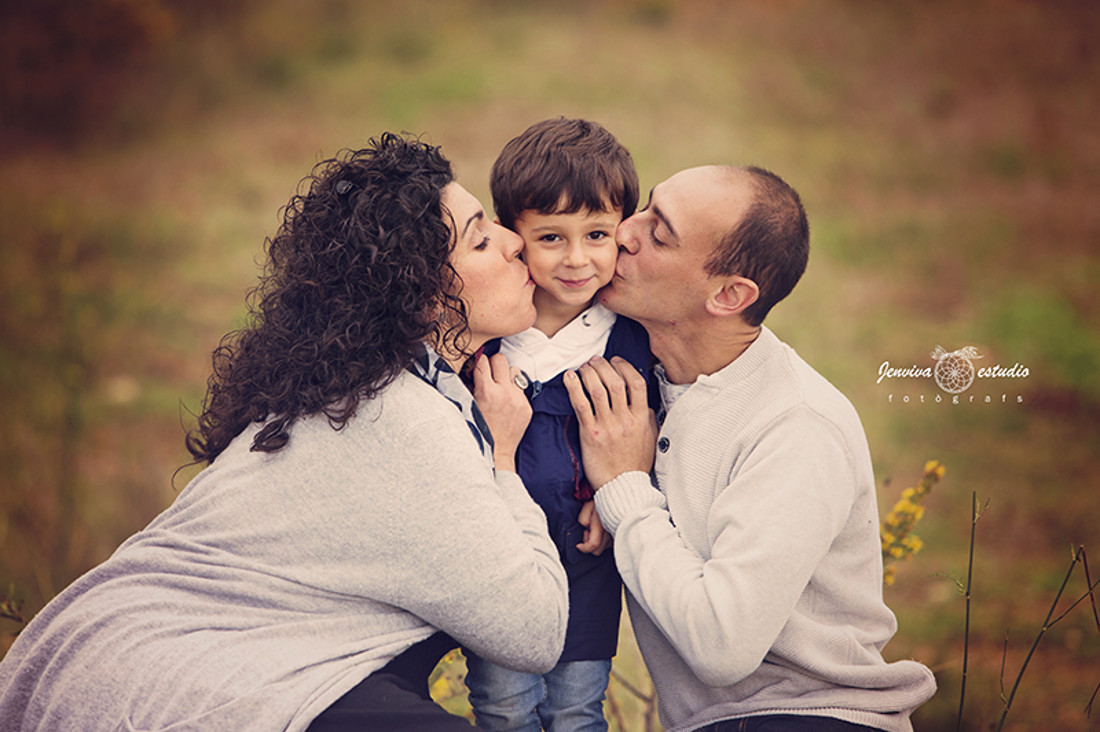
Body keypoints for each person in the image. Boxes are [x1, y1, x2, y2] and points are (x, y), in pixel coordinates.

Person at [0, 133, 569, 731]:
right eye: (482, 239)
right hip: (177, 684)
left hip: (109, 660)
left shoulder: (344, 388)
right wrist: (505, 457)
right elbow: (535, 633)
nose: (514, 243)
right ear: (423, 295)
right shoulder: (401, 418)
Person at [563, 165, 937, 732]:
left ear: (729, 295)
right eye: (646, 207)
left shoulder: (797, 427)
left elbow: (721, 645)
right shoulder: (639, 376)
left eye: (658, 234)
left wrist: (623, 491)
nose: (623, 232)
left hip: (811, 718)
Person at [463, 118, 650, 732]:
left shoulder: (629, 340)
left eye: (597, 234)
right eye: (550, 237)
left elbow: (654, 431)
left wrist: (620, 490)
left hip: (585, 564)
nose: (577, 260)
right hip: (497, 563)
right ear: (513, 237)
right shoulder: (486, 339)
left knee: (575, 709)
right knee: (504, 708)